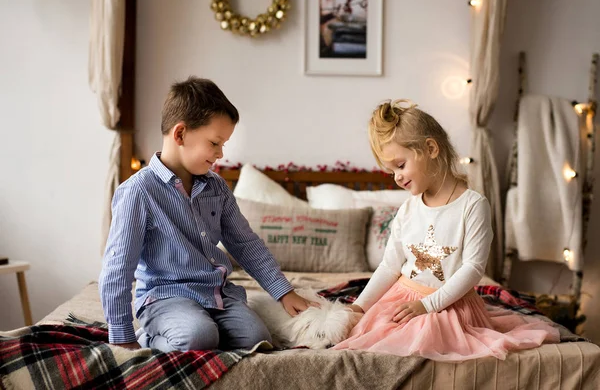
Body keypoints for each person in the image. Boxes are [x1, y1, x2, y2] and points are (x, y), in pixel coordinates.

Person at [99, 76, 314, 352]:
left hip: (216, 294)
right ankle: (149, 337)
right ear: (180, 134)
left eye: (223, 144)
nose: (221, 153)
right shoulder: (138, 192)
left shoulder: (217, 188)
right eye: (215, 143)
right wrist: (121, 335)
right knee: (198, 337)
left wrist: (284, 291)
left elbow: (245, 243)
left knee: (256, 339)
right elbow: (117, 269)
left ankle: (202, 329)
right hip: (166, 297)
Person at [334, 99, 559, 361]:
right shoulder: (408, 209)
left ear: (430, 148)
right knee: (369, 336)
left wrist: (426, 306)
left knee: (422, 340)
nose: (396, 176)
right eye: (390, 171)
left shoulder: (472, 205)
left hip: (447, 304)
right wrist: (361, 306)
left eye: (400, 165)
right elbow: (389, 265)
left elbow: (473, 269)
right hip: (403, 297)